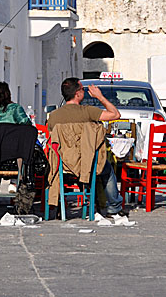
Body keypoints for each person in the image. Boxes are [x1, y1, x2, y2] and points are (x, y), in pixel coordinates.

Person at [47, 77, 127, 218]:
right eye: (82, 89)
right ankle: (114, 206)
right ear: (78, 93)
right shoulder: (88, 111)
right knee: (107, 169)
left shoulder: (53, 116)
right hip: (87, 164)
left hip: (62, 165)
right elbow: (116, 114)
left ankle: (61, 205)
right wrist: (99, 96)